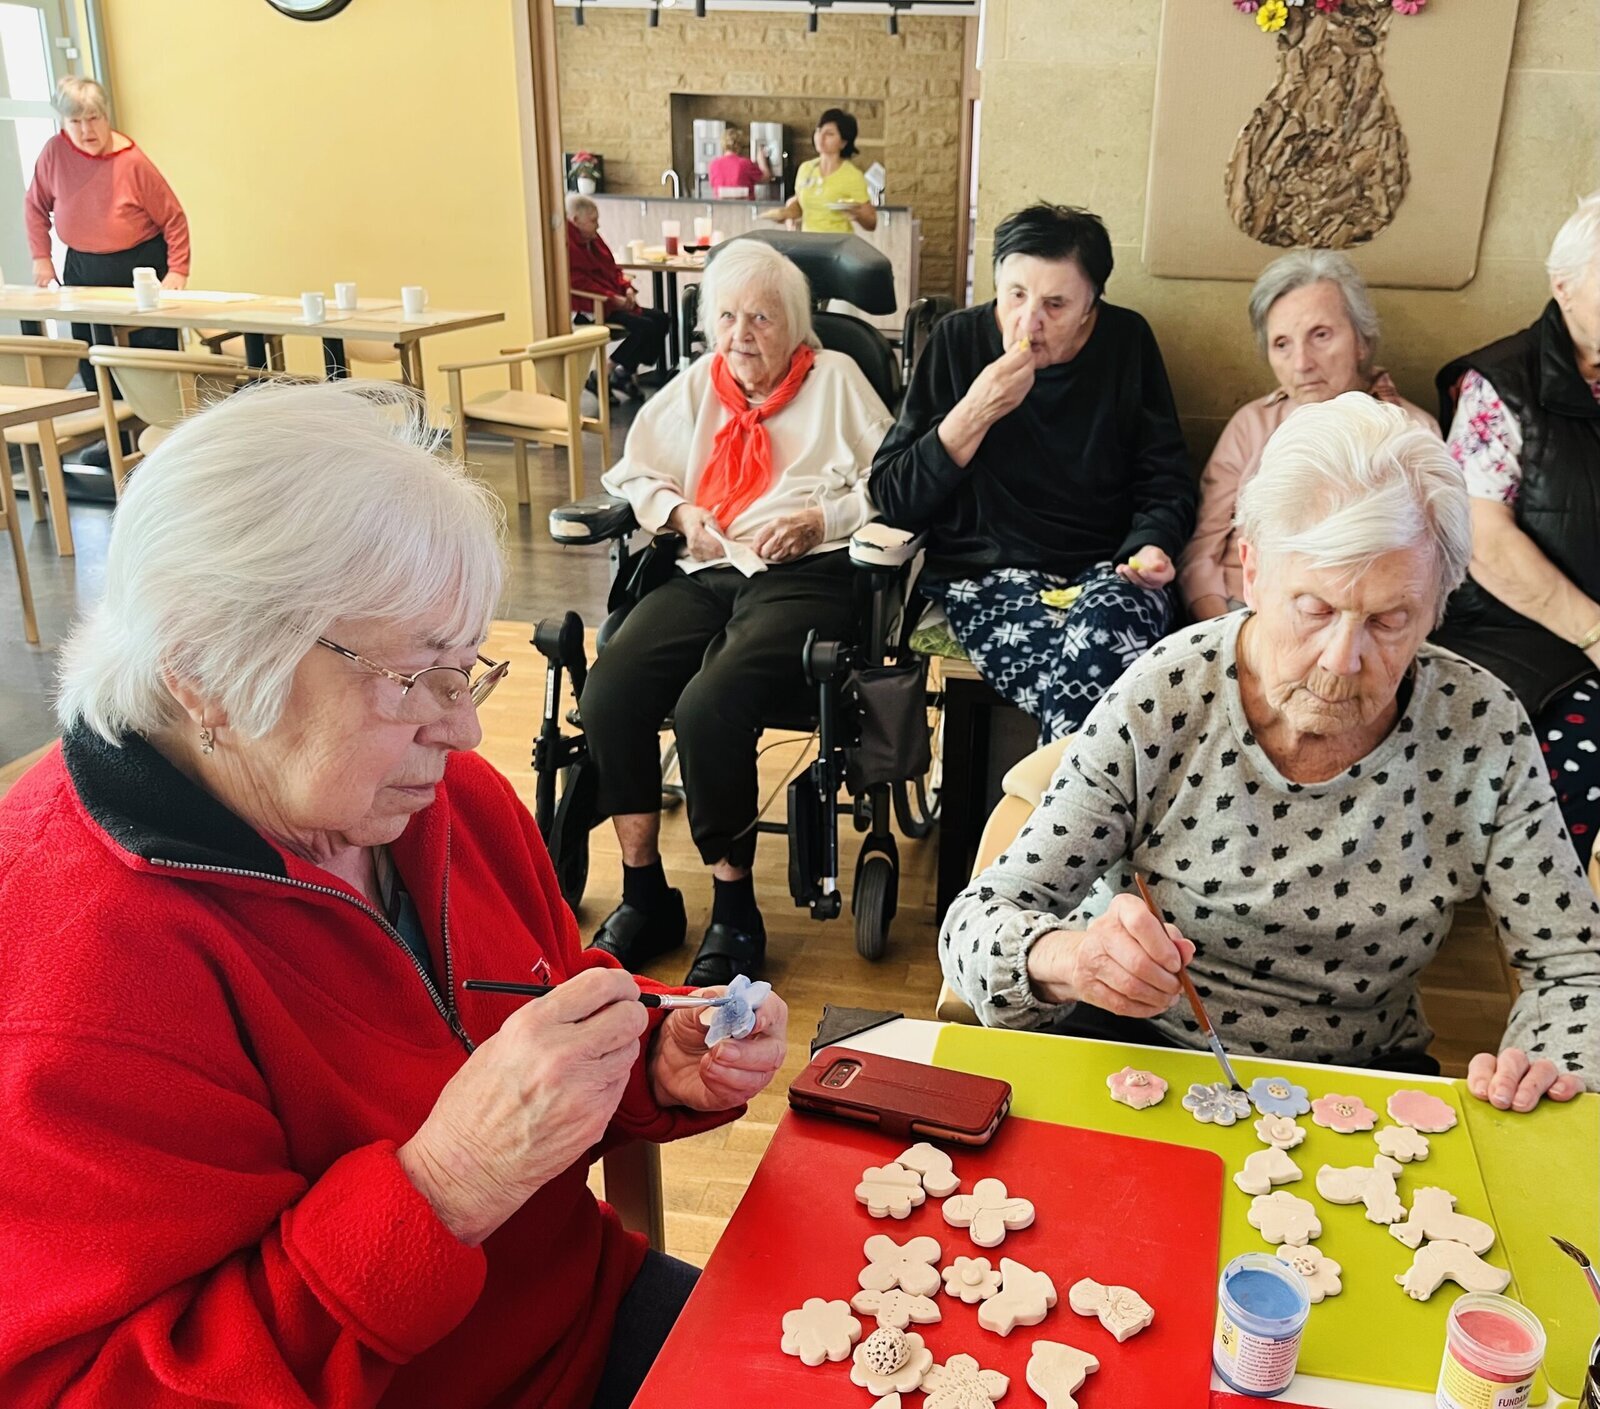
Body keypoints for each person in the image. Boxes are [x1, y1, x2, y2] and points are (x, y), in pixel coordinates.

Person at [0, 379, 788, 1408]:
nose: (464, 728)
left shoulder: (438, 801)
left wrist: (647, 1058)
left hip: (576, 1323)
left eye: (467, 668)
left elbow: (534, 1004)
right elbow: (106, 1389)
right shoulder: (71, 967)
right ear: (206, 672)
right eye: (416, 678)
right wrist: (445, 1188)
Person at [943, 394, 1599, 1106]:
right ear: (1252, 571)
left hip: (1356, 1082)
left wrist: (1550, 1064)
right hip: (1138, 1052)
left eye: (1389, 620)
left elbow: (1573, 968)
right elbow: (976, 924)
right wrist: (1068, 958)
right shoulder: (1164, 698)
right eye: (1314, 609)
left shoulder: (1481, 727)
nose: (1342, 659)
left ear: (1438, 608)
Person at [587, 239, 892, 986]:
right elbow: (635, 471)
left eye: (760, 317)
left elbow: (894, 482)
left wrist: (821, 519)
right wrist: (680, 512)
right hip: (708, 564)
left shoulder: (837, 380)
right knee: (610, 690)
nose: (741, 334)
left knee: (709, 704)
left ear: (795, 324)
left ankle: (734, 907)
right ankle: (645, 894)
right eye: (726, 316)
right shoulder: (701, 384)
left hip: (806, 573)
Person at [872, 203, 1196, 743]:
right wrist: (975, 412)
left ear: (1092, 305)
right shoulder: (958, 341)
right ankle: (1080, 798)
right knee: (1100, 697)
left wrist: (1153, 543)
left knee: (1103, 647)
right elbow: (894, 494)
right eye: (1015, 295)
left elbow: (1166, 477)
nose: (1028, 321)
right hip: (988, 573)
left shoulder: (1126, 341)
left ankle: (1047, 798)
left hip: (1110, 569)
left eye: (1055, 304)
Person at [1431, 190, 1600, 851]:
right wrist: (1593, 631)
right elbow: (1485, 540)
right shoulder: (1500, 384)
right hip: (1521, 638)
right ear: (1564, 285)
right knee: (1581, 759)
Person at [1180, 250, 1439, 620]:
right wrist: (1222, 632)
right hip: (1243, 612)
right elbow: (1201, 551)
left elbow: (1429, 570)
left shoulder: (1414, 433)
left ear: (1362, 341)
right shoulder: (1251, 425)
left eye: (1320, 335)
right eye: (1282, 344)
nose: (1301, 363)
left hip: (1361, 619)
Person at [24, 75, 186, 380]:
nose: (86, 131)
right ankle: (102, 409)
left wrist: (177, 270)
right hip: (82, 266)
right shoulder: (54, 152)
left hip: (138, 264)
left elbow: (173, 218)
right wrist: (41, 257)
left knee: (150, 362)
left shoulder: (132, 161)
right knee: (92, 357)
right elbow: (35, 206)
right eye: (75, 121)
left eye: (93, 118)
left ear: (106, 116)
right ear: (63, 123)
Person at [566, 192, 672, 400]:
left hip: (613, 300)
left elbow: (613, 269)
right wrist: (613, 298)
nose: (598, 226)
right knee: (644, 327)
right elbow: (578, 283)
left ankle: (624, 372)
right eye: (593, 221)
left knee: (661, 319)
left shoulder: (593, 238)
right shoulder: (567, 245)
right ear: (576, 221)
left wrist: (627, 289)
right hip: (590, 307)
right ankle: (604, 372)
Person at [761, 108, 876, 234]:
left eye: (829, 134)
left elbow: (871, 222)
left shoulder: (852, 175)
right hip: (809, 241)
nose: (821, 137)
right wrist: (786, 213)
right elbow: (800, 204)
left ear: (843, 143)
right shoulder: (806, 169)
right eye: (818, 130)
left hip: (838, 242)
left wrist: (857, 214)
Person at [708, 126, 772, 198]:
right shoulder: (745, 163)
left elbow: (712, 185)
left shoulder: (714, 164)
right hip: (745, 204)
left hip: (720, 204)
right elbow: (766, 178)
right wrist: (761, 160)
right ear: (739, 146)